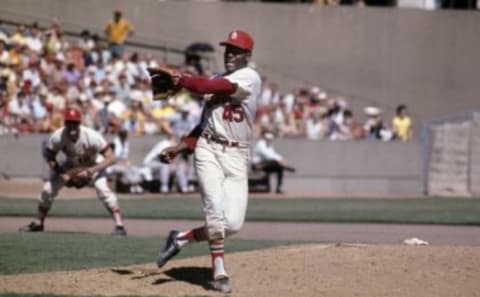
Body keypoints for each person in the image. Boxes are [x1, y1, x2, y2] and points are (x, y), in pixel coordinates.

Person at [153, 30, 261, 293]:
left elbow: (208, 87)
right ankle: (219, 273)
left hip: (237, 156)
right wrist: (180, 147)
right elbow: (204, 126)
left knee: (232, 225)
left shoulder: (249, 77)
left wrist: (183, 80)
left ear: (248, 55)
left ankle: (180, 239)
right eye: (227, 49)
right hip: (208, 150)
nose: (230, 54)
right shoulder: (215, 77)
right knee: (214, 212)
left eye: (236, 51)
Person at [19, 107, 127, 236]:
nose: (72, 126)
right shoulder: (57, 136)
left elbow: (111, 157)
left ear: (79, 123)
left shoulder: (92, 136)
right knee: (48, 189)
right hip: (70, 166)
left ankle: (119, 226)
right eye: (69, 123)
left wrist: (92, 170)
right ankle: (38, 223)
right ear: (65, 123)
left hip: (93, 164)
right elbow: (50, 156)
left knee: (102, 188)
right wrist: (62, 173)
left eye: (75, 123)